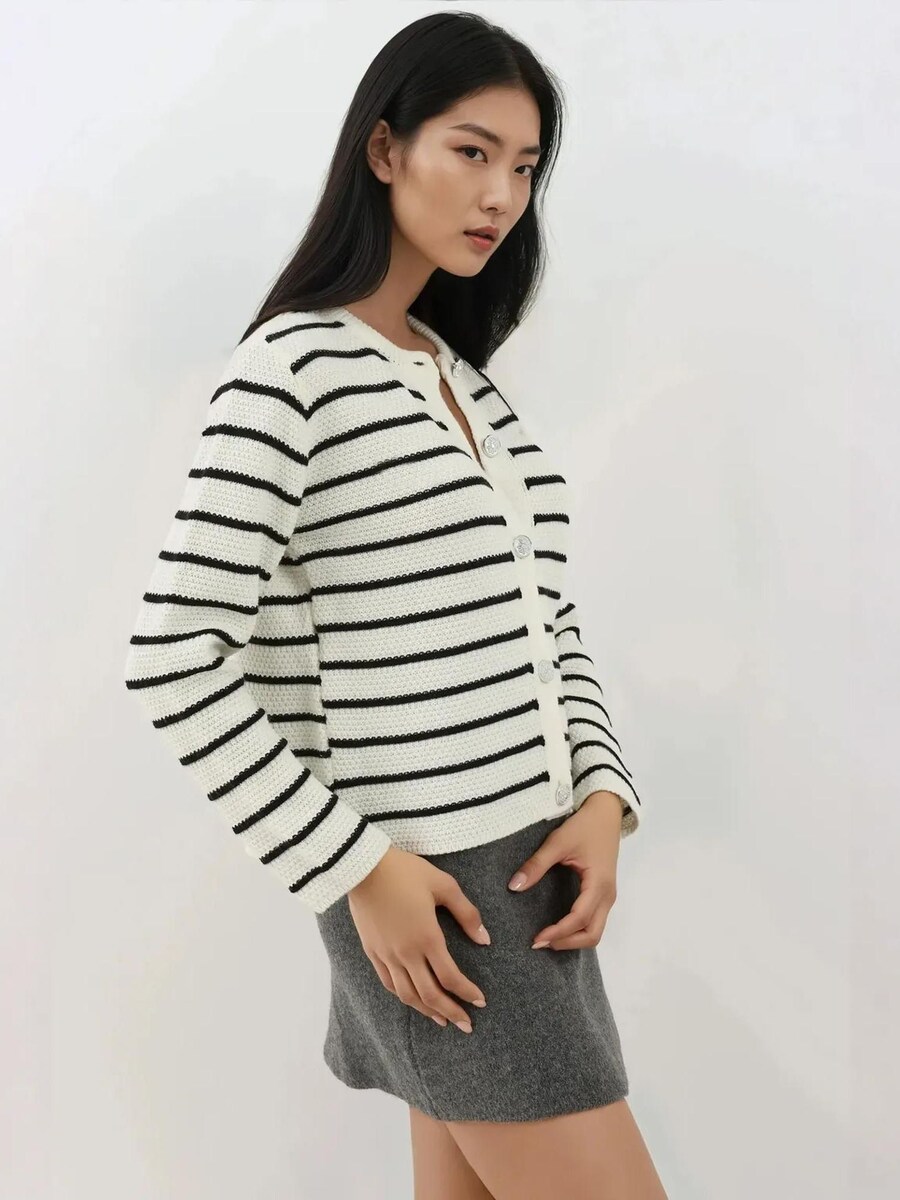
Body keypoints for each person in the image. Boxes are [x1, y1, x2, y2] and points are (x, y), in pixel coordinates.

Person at [124, 10, 666, 1198]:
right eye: (471, 151)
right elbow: (175, 656)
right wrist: (356, 869)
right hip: (433, 891)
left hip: (530, 879)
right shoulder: (290, 372)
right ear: (385, 148)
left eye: (524, 167)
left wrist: (603, 794)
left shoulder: (462, 382)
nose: (501, 195)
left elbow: (547, 621)